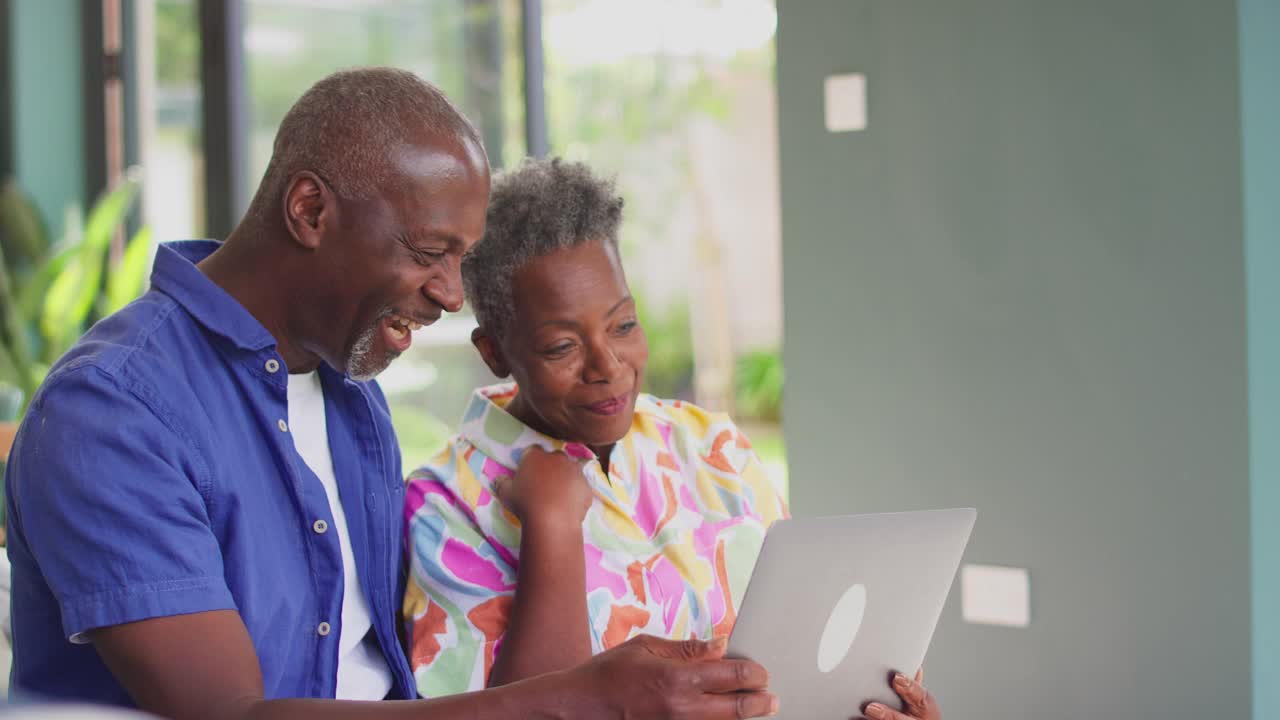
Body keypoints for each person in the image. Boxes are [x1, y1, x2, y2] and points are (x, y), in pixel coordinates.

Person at [3, 68, 778, 719]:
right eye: (430, 253)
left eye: (462, 260)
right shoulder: (112, 413)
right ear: (310, 210)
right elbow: (235, 719)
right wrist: (581, 697)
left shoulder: (348, 389)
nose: (449, 294)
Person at [403, 158, 941, 720]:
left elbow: (801, 656)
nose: (608, 366)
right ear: (493, 353)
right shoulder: (447, 507)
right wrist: (552, 528)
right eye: (562, 346)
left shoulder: (713, 448)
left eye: (624, 325)